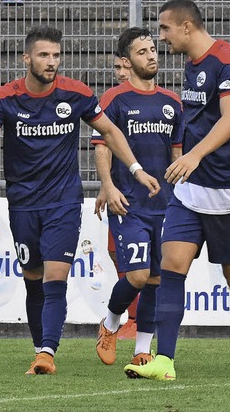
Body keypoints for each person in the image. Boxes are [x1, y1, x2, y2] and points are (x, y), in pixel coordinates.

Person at [0, 25, 160, 375]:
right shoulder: (5, 97)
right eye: (44, 55)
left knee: (55, 277)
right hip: (24, 204)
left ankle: (47, 353)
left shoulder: (75, 94)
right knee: (33, 278)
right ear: (27, 58)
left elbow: (110, 132)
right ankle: (40, 346)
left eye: (56, 55)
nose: (52, 62)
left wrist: (133, 168)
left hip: (64, 203)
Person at [123, 0, 230, 381]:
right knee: (173, 265)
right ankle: (165, 360)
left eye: (164, 29)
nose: (160, 38)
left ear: (187, 27)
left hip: (229, 190)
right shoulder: (191, 64)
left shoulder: (227, 60)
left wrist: (192, 155)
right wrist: (190, 164)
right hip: (191, 191)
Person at [92, 27, 183, 376]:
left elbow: (178, 154)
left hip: (166, 205)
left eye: (152, 49)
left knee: (157, 280)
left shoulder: (172, 102)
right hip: (128, 202)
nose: (152, 55)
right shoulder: (115, 98)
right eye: (142, 52)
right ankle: (111, 322)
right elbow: (102, 147)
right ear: (127, 62)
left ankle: (142, 352)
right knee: (138, 275)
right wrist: (108, 186)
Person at [96, 52, 139, 341]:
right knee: (118, 253)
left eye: (126, 66)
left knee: (143, 263)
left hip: (148, 192)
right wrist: (106, 184)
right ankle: (131, 318)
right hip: (122, 190)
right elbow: (106, 142)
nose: (121, 72)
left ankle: (136, 319)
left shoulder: (161, 100)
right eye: (116, 67)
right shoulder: (112, 98)